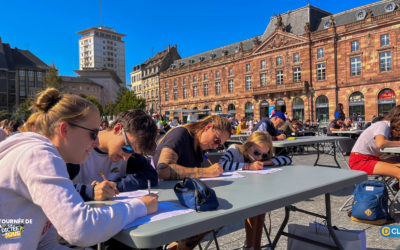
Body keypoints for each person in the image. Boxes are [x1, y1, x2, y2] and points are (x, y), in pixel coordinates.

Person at [0, 88, 158, 249]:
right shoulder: (39, 156)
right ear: (64, 129)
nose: (96, 142)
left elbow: (34, 234)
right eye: (93, 134)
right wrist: (139, 206)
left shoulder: (32, 151)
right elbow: (80, 230)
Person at [153, 115, 231, 250]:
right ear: (208, 127)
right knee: (207, 220)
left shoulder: (199, 148)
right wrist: (206, 172)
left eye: (220, 145)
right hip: (162, 199)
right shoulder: (181, 134)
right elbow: (163, 170)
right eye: (216, 140)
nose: (215, 146)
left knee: (213, 216)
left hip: (181, 198)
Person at [218, 131, 291, 249]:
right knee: (256, 206)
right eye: (256, 153)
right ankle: (252, 246)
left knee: (259, 205)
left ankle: (253, 246)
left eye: (264, 154)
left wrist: (265, 161)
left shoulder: (260, 159)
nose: (258, 157)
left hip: (252, 194)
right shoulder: (235, 150)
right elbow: (221, 164)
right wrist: (247, 166)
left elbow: (286, 159)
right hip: (232, 194)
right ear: (247, 147)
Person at [68, 109, 158, 202]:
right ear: (117, 129)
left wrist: (115, 186)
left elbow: (150, 176)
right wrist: (91, 192)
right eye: (127, 148)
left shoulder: (130, 151)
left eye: (134, 153)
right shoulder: (79, 146)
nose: (126, 158)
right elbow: (57, 191)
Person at [349, 107, 400, 189]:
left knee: (397, 160)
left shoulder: (388, 129)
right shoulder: (382, 125)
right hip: (360, 161)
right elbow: (380, 143)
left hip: (371, 159)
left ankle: (397, 187)